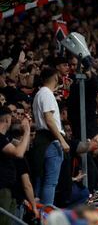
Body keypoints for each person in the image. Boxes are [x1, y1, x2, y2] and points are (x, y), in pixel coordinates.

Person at [31, 67, 70, 205]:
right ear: (54, 77)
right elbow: (49, 119)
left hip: (42, 139)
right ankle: (46, 214)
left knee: (41, 180)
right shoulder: (47, 94)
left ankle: (40, 215)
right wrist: (62, 140)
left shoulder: (39, 93)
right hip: (50, 140)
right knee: (50, 182)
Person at [0, 107, 31, 225]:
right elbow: (19, 153)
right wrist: (27, 130)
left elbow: (23, 148)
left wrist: (24, 131)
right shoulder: (0, 138)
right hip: (2, 189)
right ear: (7, 119)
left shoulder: (5, 138)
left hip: (9, 189)